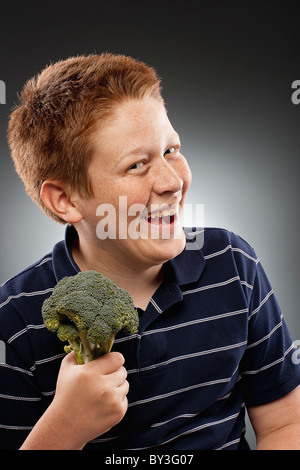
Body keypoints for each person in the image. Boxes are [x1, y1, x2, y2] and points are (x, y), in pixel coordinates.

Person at [1, 53, 300, 450]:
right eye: (137, 165)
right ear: (65, 199)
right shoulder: (16, 320)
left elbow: (284, 425)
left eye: (172, 150)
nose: (172, 181)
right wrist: (63, 429)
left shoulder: (232, 263)